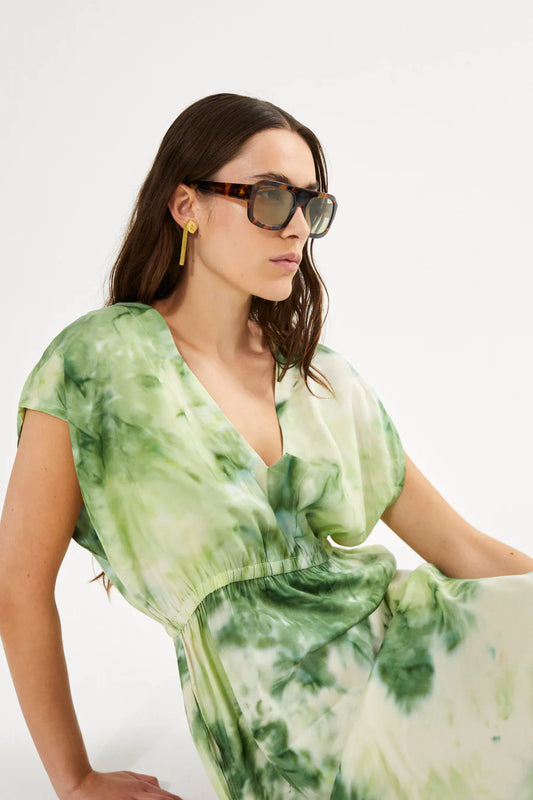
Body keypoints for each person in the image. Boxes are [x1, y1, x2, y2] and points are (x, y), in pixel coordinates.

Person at [0, 92, 532, 800]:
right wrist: (74, 779)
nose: (297, 227)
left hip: (409, 656)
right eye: (270, 198)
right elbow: (18, 585)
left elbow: (463, 549)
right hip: (288, 736)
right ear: (186, 206)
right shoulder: (99, 362)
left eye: (311, 204)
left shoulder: (321, 379)